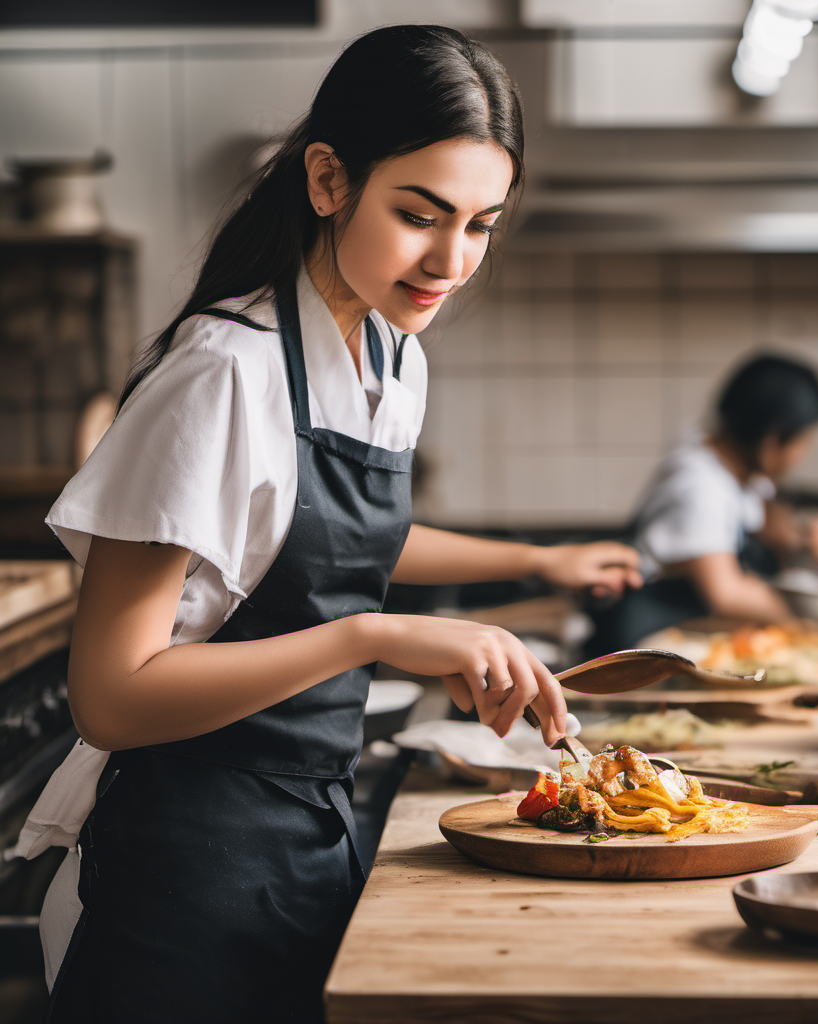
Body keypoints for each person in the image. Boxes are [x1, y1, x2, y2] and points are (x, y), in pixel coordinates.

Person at [17, 25, 641, 1024]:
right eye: (420, 214)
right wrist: (379, 634)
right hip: (179, 871)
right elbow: (111, 698)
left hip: (309, 831)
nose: (451, 259)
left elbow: (339, 543)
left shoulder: (390, 356)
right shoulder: (222, 376)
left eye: (481, 224)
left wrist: (532, 564)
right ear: (326, 180)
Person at [585, 352, 818, 656]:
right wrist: (809, 625)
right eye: (803, 441)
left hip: (676, 646)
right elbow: (728, 593)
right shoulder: (700, 486)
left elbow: (770, 525)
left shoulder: (733, 468)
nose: (805, 453)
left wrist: (807, 539)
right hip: (637, 655)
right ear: (771, 441)